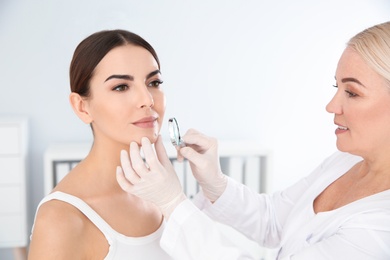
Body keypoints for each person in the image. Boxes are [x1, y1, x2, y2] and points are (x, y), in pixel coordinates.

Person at [116, 21, 390, 259]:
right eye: (336, 88)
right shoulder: (347, 160)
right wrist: (216, 184)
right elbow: (272, 220)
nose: (331, 106)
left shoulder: (380, 228)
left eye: (352, 93)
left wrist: (173, 204)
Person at [28, 29, 172, 259]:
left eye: (154, 82)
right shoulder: (60, 219)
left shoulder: (164, 191)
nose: (147, 100)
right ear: (82, 107)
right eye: (121, 87)